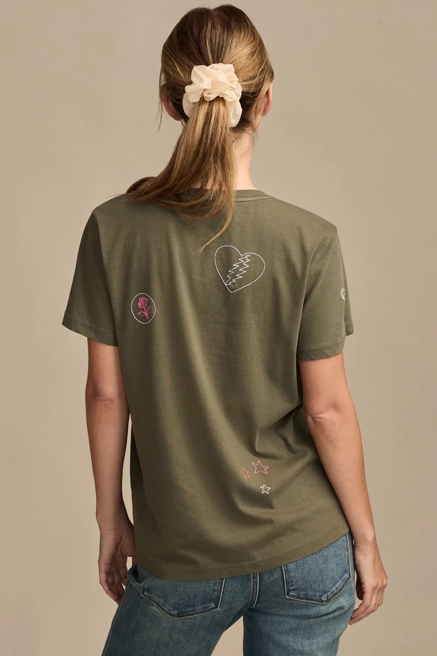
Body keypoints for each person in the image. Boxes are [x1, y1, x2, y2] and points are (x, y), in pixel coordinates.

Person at [61, 5, 387, 655]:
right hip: (306, 548)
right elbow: (326, 409)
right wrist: (367, 540)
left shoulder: (113, 229)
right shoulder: (310, 240)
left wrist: (110, 516)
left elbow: (106, 394)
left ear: (169, 101)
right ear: (265, 100)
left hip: (181, 554)